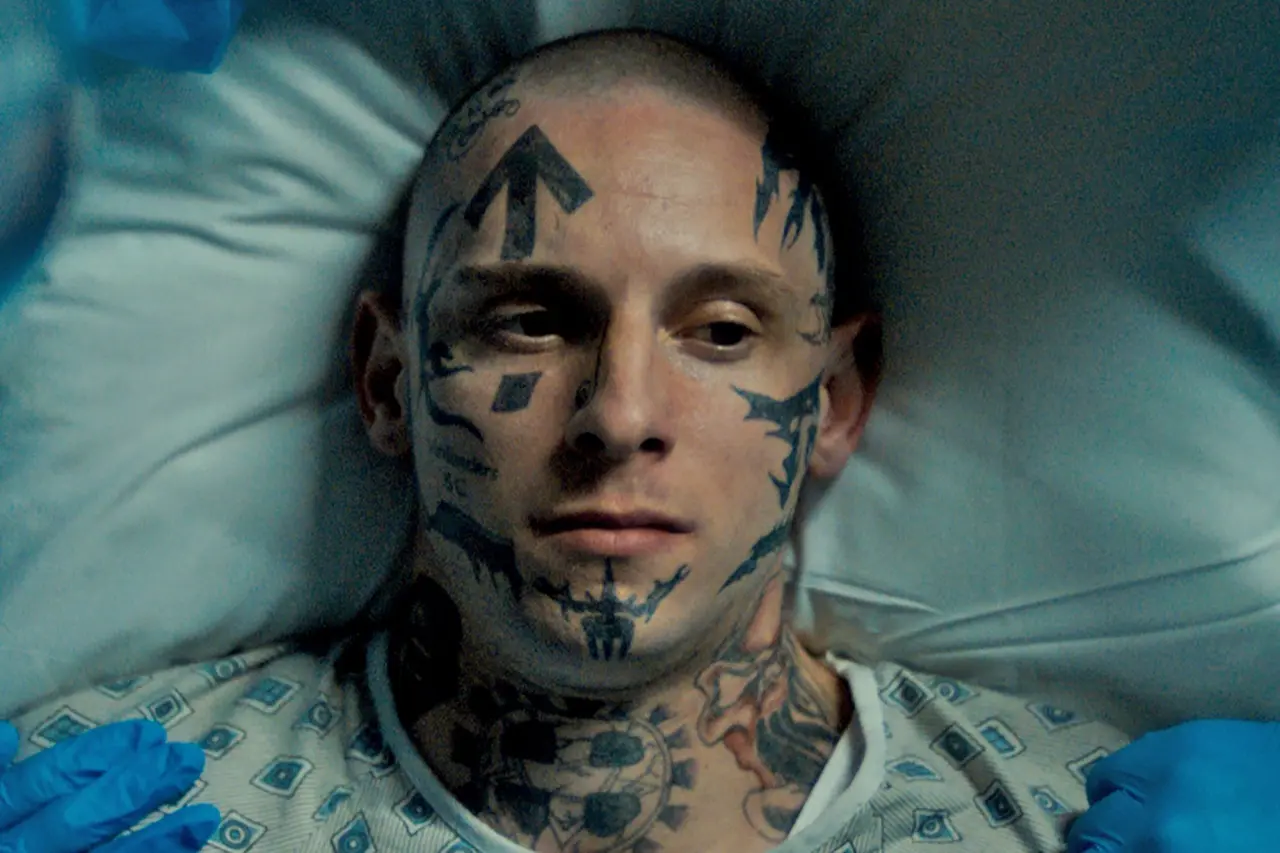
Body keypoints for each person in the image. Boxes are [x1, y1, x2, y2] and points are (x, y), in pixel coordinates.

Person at [7, 30, 1134, 853]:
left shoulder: (1078, 815)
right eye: (528, 321)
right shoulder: (111, 799)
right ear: (388, 381)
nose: (620, 415)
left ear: (833, 400)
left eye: (720, 331)